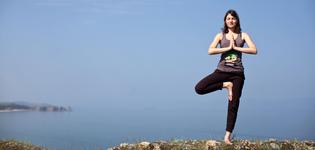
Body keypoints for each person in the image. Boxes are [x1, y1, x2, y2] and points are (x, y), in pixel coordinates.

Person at [194, 9, 257, 145]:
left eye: (233, 18)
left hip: (237, 74)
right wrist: (227, 48)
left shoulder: (243, 35)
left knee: (233, 104)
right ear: (225, 21)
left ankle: (227, 136)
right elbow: (210, 50)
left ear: (237, 20)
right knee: (199, 88)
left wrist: (237, 48)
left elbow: (254, 50)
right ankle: (225, 85)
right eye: (228, 18)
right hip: (221, 71)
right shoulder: (220, 36)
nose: (231, 20)